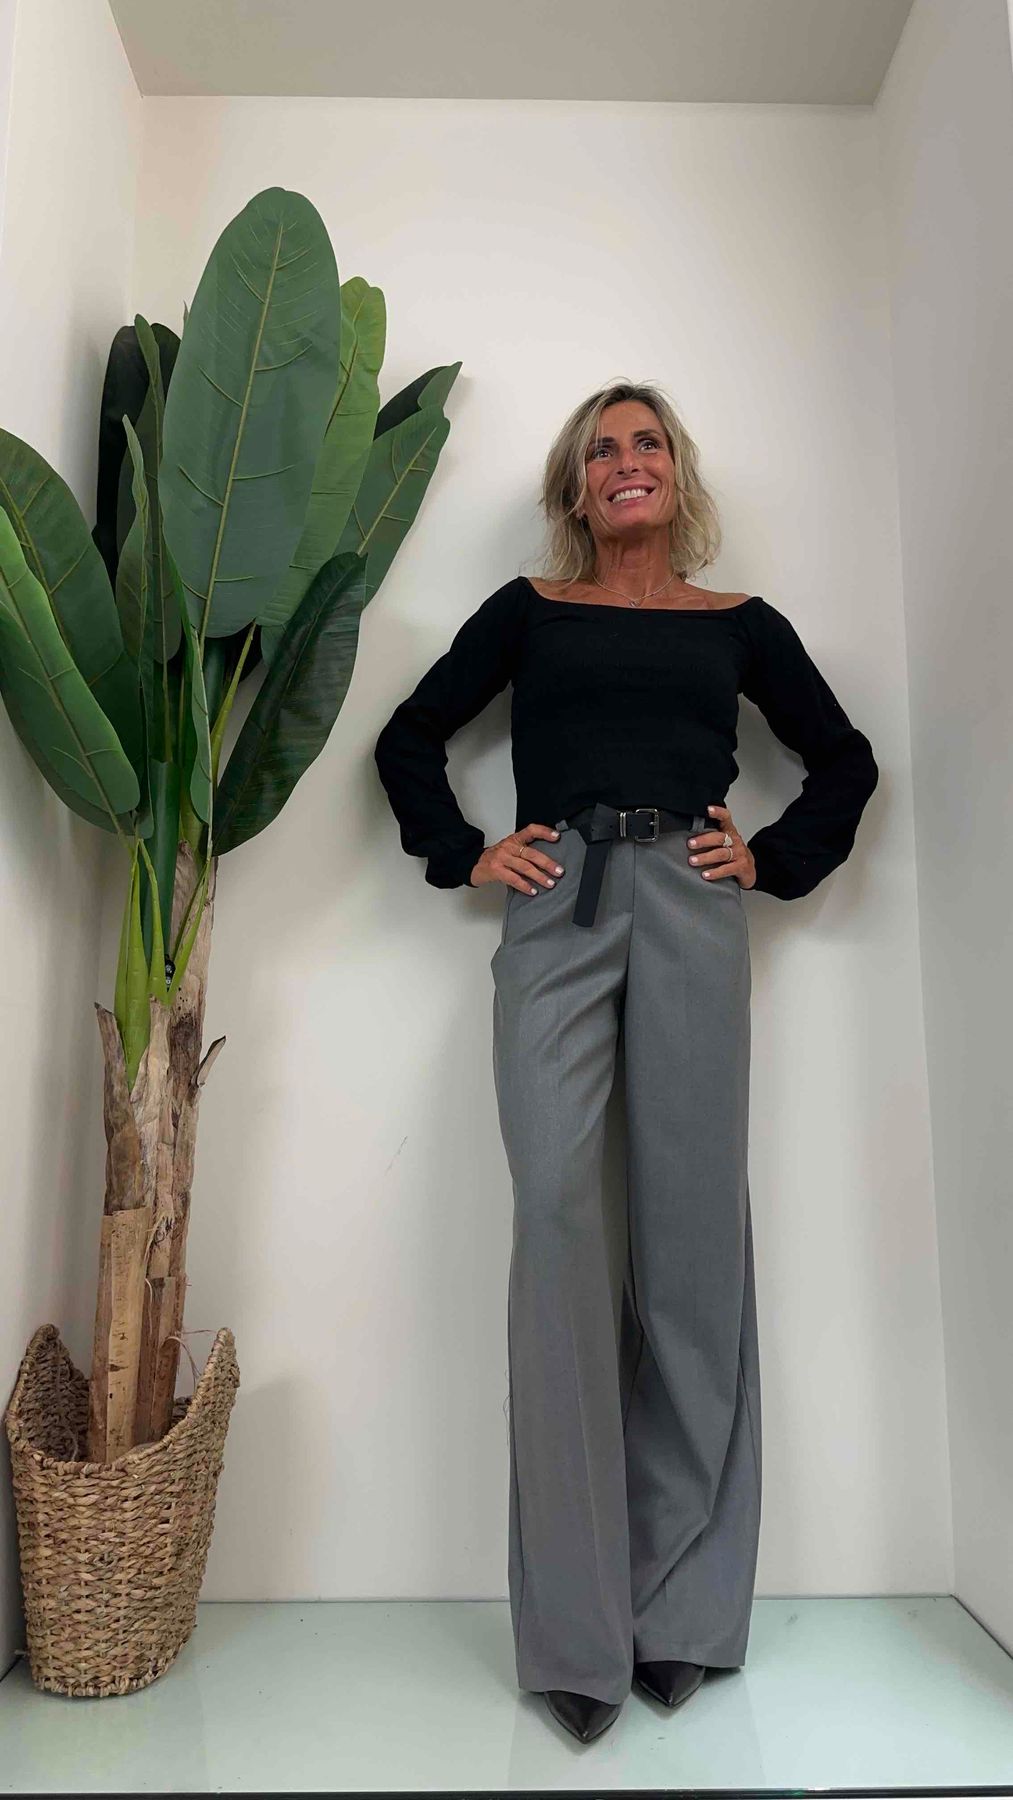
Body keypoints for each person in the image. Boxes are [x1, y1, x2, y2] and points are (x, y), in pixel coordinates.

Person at [373, 379, 878, 1745]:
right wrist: (464, 850)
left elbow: (842, 760)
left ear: (676, 475)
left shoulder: (740, 623)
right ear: (575, 489)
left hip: (693, 906)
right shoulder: (530, 611)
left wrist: (768, 861)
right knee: (554, 1219)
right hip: (559, 903)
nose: (623, 462)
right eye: (600, 450)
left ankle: (683, 1609)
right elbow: (408, 737)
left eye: (645, 442)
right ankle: (579, 1631)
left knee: (691, 1242)